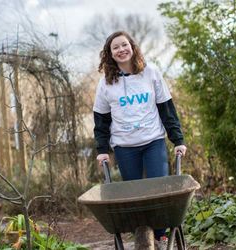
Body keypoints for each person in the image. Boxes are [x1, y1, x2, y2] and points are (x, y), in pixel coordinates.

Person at [93, 31, 187, 241]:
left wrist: (178, 140)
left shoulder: (150, 72)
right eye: (115, 47)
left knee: (159, 190)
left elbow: (166, 109)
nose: (121, 50)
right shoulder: (106, 83)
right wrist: (102, 150)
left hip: (153, 141)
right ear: (110, 54)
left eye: (124, 45)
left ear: (132, 47)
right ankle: (143, 237)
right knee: (134, 197)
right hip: (125, 147)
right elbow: (101, 121)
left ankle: (161, 238)